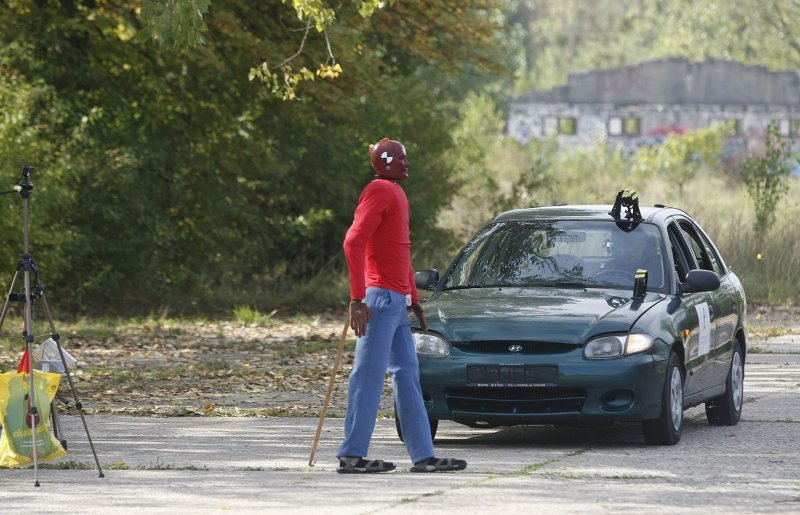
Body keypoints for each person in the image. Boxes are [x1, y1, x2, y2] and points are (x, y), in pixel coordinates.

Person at [337, 138, 467, 474]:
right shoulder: (379, 190)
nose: (408, 164)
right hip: (378, 298)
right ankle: (352, 455)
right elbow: (353, 242)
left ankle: (423, 456)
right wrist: (357, 299)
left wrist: (414, 297)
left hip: (396, 301)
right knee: (367, 376)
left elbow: (399, 249)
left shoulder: (396, 192)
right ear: (386, 161)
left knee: (408, 375)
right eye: (401, 158)